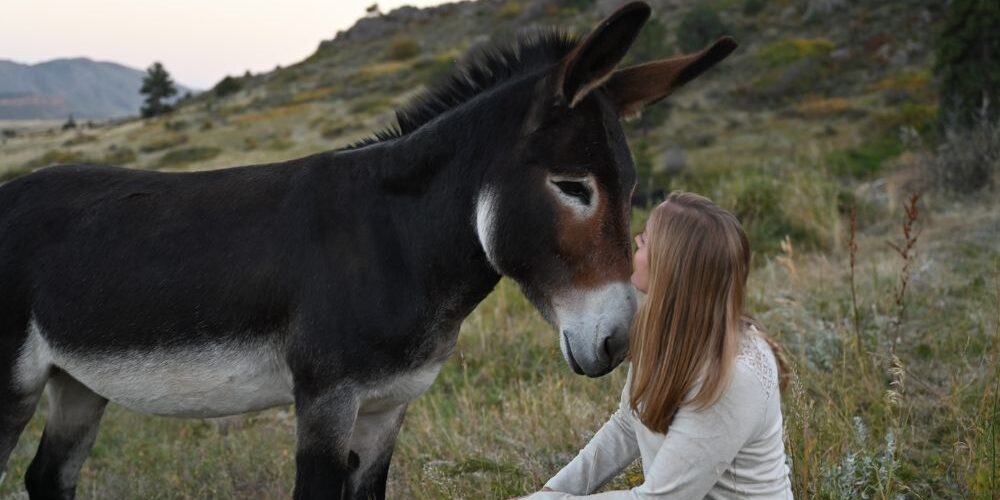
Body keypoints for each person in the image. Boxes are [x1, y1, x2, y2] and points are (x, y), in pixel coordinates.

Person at [526, 192, 793, 499]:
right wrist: (551, 491)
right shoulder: (661, 330)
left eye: (647, 240)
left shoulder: (734, 374)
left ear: (671, 267)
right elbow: (628, 424)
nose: (637, 241)